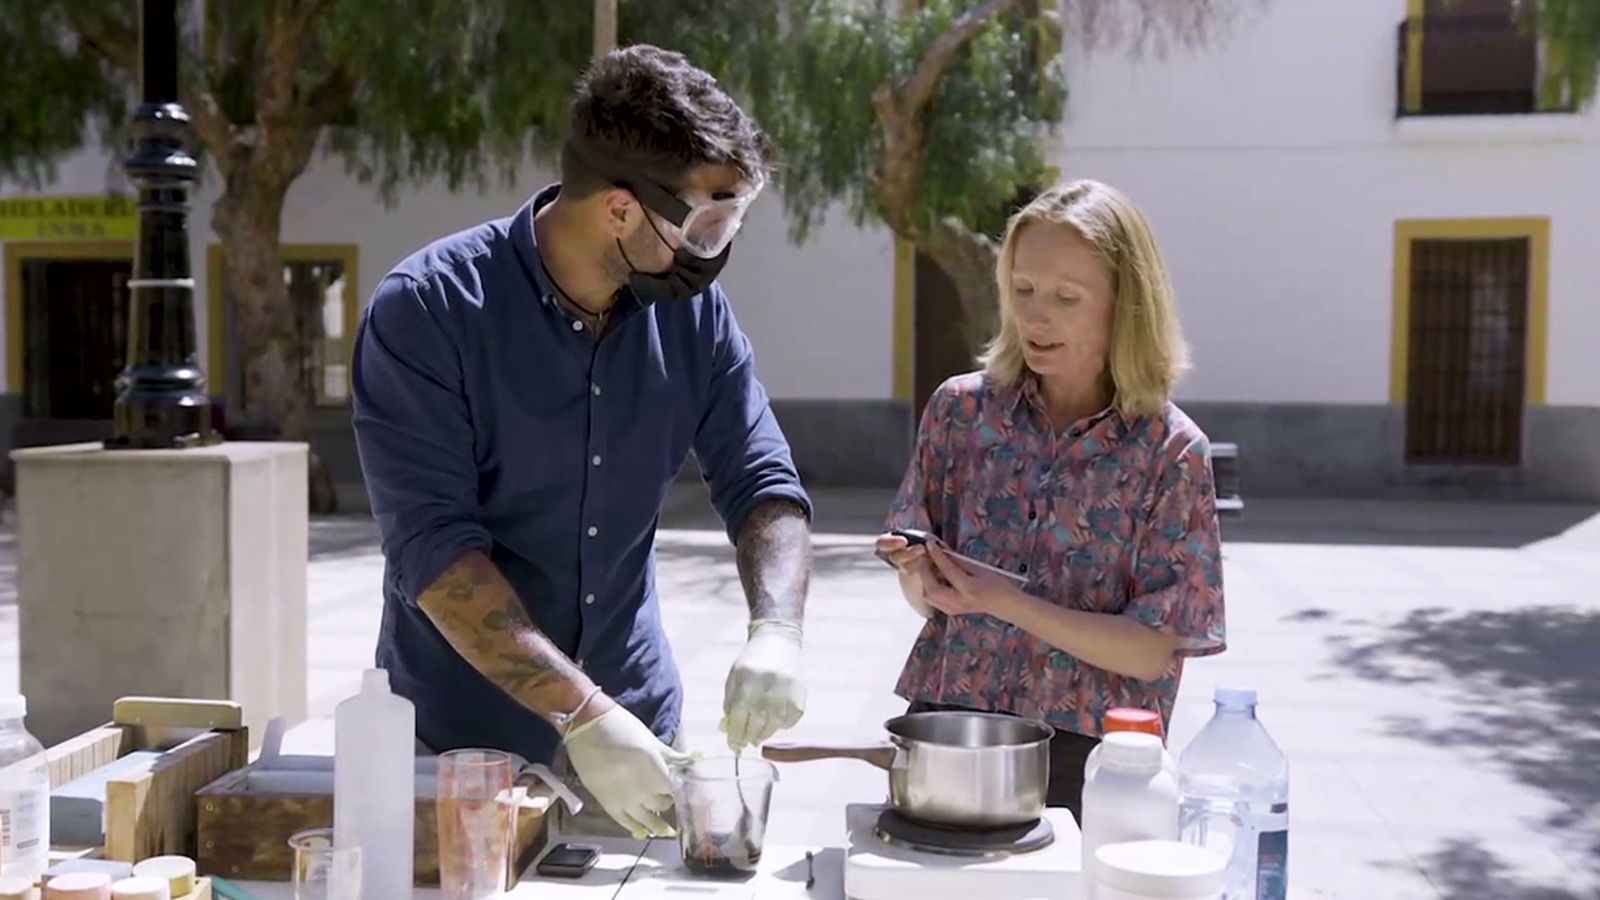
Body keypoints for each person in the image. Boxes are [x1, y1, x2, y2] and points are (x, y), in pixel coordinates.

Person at [351, 45, 814, 840]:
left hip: (641, 742)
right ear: (621, 210)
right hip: (463, 748)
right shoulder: (426, 312)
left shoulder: (694, 316)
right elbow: (433, 552)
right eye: (707, 224)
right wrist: (581, 714)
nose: (716, 248)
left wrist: (778, 628)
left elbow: (761, 479)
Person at [875, 179, 1226, 822]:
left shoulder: (1171, 452)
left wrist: (1005, 601)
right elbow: (930, 604)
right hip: (950, 729)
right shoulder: (958, 412)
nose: (1037, 317)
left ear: (1127, 306)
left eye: (1067, 297)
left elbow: (1152, 649)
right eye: (1024, 289)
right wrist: (921, 575)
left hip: (1096, 763)